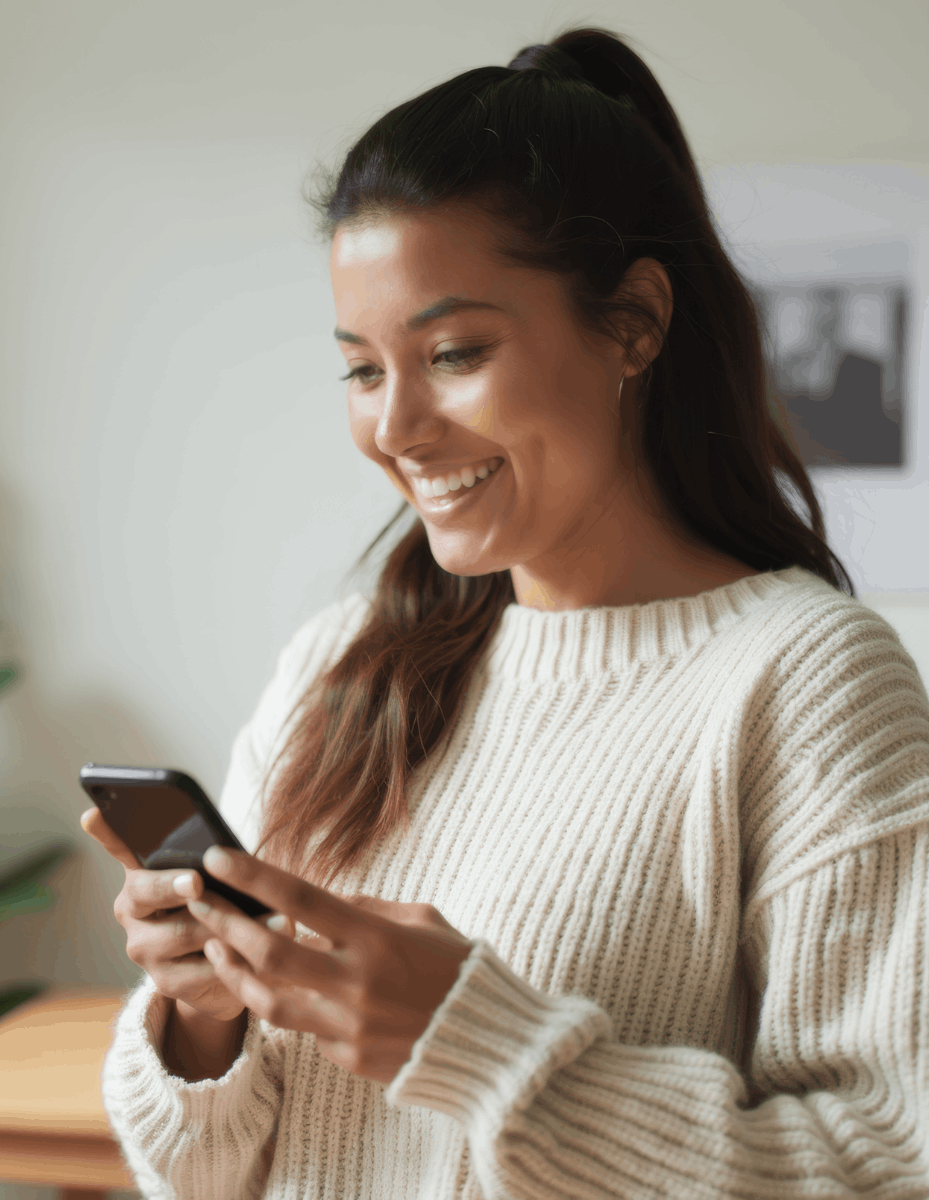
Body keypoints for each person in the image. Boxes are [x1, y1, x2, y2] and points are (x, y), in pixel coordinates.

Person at [81, 27, 929, 1199]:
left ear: (634, 323)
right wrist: (201, 1014)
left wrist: (482, 1047)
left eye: (455, 351)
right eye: (364, 370)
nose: (394, 428)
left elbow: (889, 1167)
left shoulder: (803, 681)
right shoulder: (342, 666)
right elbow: (201, 1173)